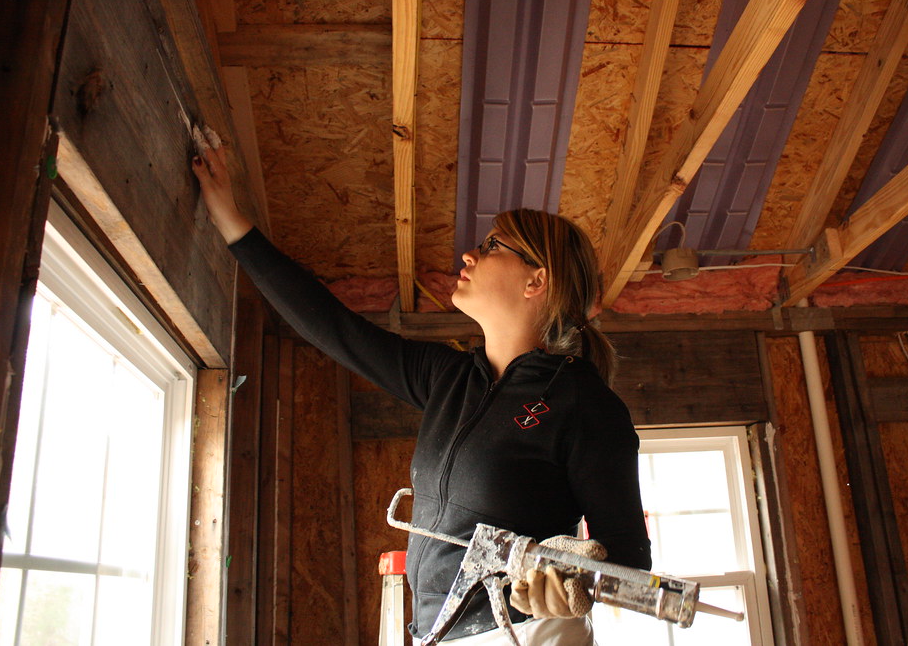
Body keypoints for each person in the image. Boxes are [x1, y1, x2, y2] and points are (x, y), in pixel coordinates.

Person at [192, 137, 651, 644]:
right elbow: (335, 329)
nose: (469, 254)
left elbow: (630, 561)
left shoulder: (584, 404)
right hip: (436, 633)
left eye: (493, 245)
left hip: (525, 636)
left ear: (535, 280)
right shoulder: (449, 380)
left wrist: (575, 579)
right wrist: (233, 225)